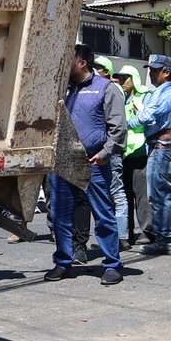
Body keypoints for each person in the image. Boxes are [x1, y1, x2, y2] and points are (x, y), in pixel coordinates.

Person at [45, 44, 127, 286]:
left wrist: (105, 153)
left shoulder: (106, 88)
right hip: (62, 164)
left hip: (94, 163)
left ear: (81, 62)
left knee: (103, 215)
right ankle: (63, 262)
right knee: (60, 215)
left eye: (69, 58)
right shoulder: (63, 90)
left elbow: (119, 128)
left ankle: (112, 265)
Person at [136, 54, 171, 257]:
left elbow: (149, 115)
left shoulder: (167, 94)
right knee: (170, 196)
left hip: (163, 148)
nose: (151, 73)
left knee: (159, 197)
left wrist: (129, 122)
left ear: (166, 72)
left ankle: (165, 239)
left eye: (155, 70)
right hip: (170, 148)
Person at [93, 57, 130, 244]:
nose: (96, 70)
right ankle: (110, 234)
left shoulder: (111, 89)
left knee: (116, 191)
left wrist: (109, 148)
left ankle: (121, 235)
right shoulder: (96, 89)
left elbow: (117, 125)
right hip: (102, 150)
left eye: (99, 68)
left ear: (106, 71)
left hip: (110, 149)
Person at [115, 67, 150, 248]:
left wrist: (126, 125)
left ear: (133, 78)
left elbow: (144, 120)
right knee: (125, 195)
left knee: (141, 195)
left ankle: (146, 230)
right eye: (120, 78)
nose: (122, 81)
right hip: (125, 152)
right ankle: (126, 231)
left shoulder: (143, 96)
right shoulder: (123, 98)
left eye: (125, 78)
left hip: (139, 152)